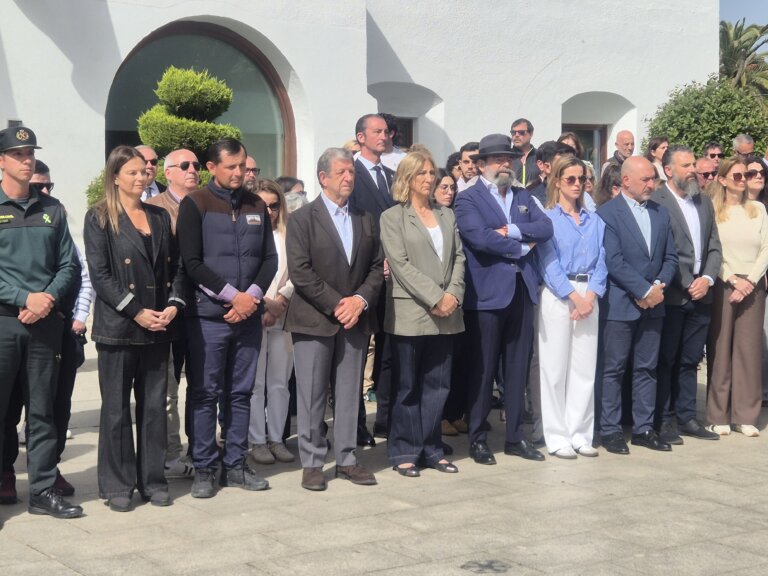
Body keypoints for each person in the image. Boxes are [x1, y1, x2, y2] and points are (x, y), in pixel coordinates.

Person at [84, 145, 186, 511]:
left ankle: (153, 480)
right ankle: (117, 484)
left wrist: (173, 304)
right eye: (132, 172)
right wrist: (136, 311)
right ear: (115, 177)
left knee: (154, 407)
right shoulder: (99, 217)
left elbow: (175, 267)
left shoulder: (158, 215)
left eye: (144, 171)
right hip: (119, 327)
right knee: (115, 409)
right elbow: (101, 275)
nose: (141, 177)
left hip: (158, 325)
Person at [177, 138, 277, 498]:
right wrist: (233, 296)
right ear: (211, 168)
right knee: (205, 393)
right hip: (208, 317)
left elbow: (269, 258)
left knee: (240, 393)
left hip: (248, 317)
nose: (239, 173)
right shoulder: (195, 204)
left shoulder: (256, 205)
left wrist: (252, 297)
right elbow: (192, 263)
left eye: (242, 166)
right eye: (231, 167)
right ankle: (204, 467)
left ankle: (236, 464)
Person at [285, 147, 384, 491]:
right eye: (341, 172)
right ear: (323, 177)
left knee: (349, 392)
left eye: (352, 172)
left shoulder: (365, 218)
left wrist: (359, 301)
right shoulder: (302, 218)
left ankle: (347, 459)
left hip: (355, 319)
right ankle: (313, 462)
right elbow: (300, 271)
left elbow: (377, 267)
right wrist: (337, 304)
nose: (348, 178)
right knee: (312, 394)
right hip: (314, 319)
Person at [454, 133, 553, 465]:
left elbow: (545, 228)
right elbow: (479, 238)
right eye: (498, 160)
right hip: (487, 295)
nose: (505, 165)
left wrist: (511, 231)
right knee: (483, 370)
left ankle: (514, 437)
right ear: (482, 164)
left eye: (508, 159)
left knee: (517, 368)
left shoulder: (523, 195)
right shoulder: (468, 199)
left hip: (522, 290)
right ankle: (478, 438)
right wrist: (523, 247)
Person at [0, 126, 82, 519]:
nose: (26, 160)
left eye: (30, 153)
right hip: (4, 323)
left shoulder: (53, 209)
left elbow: (69, 265)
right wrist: (24, 298)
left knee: (43, 411)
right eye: (18, 154)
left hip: (45, 324)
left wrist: (45, 299)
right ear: (1, 161)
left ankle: (43, 490)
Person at [379, 150, 465, 477]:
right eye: (422, 173)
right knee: (408, 387)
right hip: (412, 312)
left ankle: (432, 448)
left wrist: (453, 295)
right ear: (407, 178)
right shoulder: (393, 217)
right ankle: (404, 449)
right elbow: (400, 265)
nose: (429, 179)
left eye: (431, 173)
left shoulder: (446, 215)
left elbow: (459, 258)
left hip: (447, 312)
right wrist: (435, 298)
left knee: (438, 385)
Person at [596, 156, 678, 455]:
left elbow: (670, 258)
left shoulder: (660, 213)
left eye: (653, 179)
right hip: (620, 304)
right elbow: (613, 260)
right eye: (645, 179)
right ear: (626, 180)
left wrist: (657, 288)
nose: (651, 184)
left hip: (654, 304)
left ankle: (644, 429)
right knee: (614, 369)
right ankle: (610, 429)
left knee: (647, 368)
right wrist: (643, 290)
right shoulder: (608, 214)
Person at [536, 156, 606, 458]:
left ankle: (580, 432)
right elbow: (548, 262)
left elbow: (602, 259)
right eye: (571, 179)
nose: (578, 184)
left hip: (589, 292)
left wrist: (590, 296)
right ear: (557, 182)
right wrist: (573, 297)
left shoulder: (595, 220)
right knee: (554, 367)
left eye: (583, 179)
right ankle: (556, 436)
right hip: (559, 293)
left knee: (584, 367)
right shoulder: (547, 219)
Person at [651, 146, 721, 443]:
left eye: (694, 164)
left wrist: (707, 278)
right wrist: (687, 282)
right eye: (686, 165)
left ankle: (687, 416)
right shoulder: (657, 201)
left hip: (701, 294)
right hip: (673, 294)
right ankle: (664, 419)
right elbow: (661, 251)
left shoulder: (703, 201)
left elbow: (714, 246)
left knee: (691, 359)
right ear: (669, 170)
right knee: (666, 358)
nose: (693, 170)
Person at [146, 148, 200, 479]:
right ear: (168, 173)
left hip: (203, 309)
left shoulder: (207, 204)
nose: (192, 169)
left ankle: (199, 449)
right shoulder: (154, 209)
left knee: (201, 385)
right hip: (167, 310)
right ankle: (168, 453)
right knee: (167, 389)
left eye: (196, 164)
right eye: (184, 165)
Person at [706, 157, 768, 437]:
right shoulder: (713, 210)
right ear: (722, 180)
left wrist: (750, 281)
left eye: (748, 175)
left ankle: (745, 415)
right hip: (724, 283)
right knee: (720, 348)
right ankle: (718, 414)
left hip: (753, 285)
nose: (744, 180)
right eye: (738, 176)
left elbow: (766, 248)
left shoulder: (758, 209)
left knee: (749, 349)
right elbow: (713, 250)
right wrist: (731, 279)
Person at [348, 114, 395, 445]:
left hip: (394, 273)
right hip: (363, 273)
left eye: (386, 131)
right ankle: (355, 424)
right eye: (377, 131)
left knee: (390, 350)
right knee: (357, 352)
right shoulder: (349, 173)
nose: (384, 136)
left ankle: (387, 419)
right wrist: (377, 261)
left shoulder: (392, 176)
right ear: (361, 137)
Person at [247, 179, 295, 465]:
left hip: (283, 315)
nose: (269, 212)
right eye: (262, 205)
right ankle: (256, 440)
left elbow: (299, 270)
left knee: (279, 382)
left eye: (274, 206)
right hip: (254, 313)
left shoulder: (289, 234)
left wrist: (280, 301)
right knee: (255, 383)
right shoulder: (245, 233)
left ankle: (277, 438)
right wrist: (265, 304)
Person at [510, 118, 538, 186]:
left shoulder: (540, 156)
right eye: (513, 132)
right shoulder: (507, 157)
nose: (516, 135)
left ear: (531, 134)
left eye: (521, 132)